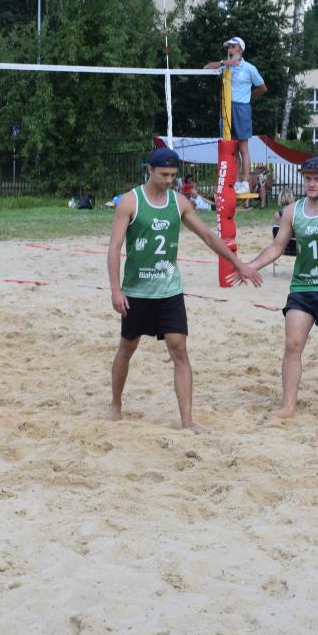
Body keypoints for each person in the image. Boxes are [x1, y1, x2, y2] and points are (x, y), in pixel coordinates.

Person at [107, 147, 262, 430]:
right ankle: (116, 404)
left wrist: (237, 263)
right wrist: (116, 290)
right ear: (150, 171)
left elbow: (207, 236)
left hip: (170, 290)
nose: (169, 180)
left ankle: (187, 421)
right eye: (164, 174)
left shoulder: (179, 202)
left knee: (179, 349)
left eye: (173, 175)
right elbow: (114, 248)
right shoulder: (130, 202)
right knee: (127, 347)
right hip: (137, 291)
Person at [246, 157, 318, 419]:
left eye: (317, 179)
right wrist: (251, 266)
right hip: (301, 287)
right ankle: (288, 407)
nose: (311, 183)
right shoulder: (292, 211)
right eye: (307, 178)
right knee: (293, 345)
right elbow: (277, 247)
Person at [203, 36, 266, 194]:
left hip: (242, 108)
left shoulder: (249, 68)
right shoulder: (225, 67)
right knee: (232, 148)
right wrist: (224, 63)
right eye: (228, 47)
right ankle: (236, 182)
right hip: (226, 108)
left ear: (240, 49)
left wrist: (249, 97)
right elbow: (205, 68)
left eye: (233, 47)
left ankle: (245, 182)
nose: (230, 49)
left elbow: (262, 87)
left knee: (243, 147)